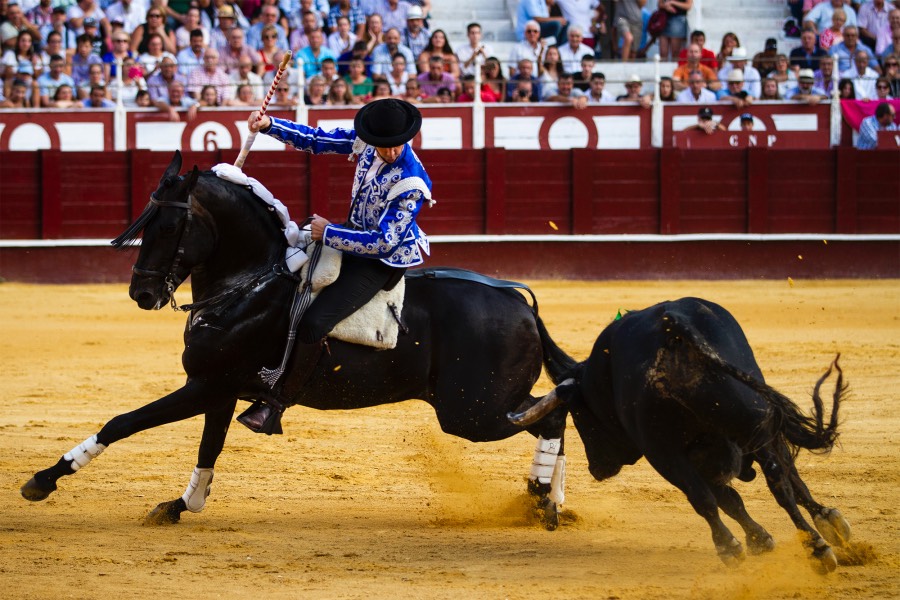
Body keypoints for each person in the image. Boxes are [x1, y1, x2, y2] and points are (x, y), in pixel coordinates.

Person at [239, 98, 433, 433]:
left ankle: (276, 404)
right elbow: (316, 140)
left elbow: (383, 242)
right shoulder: (367, 142)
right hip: (352, 235)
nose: (387, 153)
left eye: (394, 146)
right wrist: (270, 126)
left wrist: (328, 232)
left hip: (382, 261)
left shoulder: (411, 182)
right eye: (382, 146)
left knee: (315, 322)